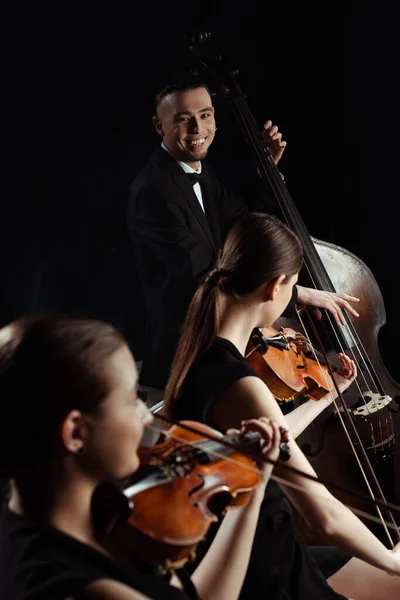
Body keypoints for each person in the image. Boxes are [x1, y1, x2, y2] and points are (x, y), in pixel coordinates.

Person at [163, 212, 400, 600]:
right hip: (269, 572)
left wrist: (327, 394)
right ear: (276, 287)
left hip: (266, 550)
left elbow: (276, 437)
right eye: (294, 286)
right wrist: (392, 559)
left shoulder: (203, 356)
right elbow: (323, 516)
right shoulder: (239, 382)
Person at [0, 314, 284, 600]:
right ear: (75, 433)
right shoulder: (81, 589)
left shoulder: (81, 511)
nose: (146, 416)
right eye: (131, 398)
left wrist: (254, 486)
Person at [127, 74, 360, 394]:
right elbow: (200, 280)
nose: (198, 130)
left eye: (205, 115)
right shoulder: (154, 193)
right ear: (159, 126)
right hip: (189, 350)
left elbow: (247, 225)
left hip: (224, 331)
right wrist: (296, 294)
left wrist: (270, 168)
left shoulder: (199, 172)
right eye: (183, 120)